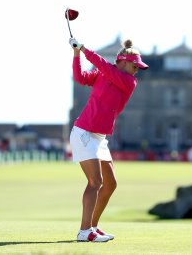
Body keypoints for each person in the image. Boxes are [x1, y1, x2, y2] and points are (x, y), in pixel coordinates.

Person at [68, 37, 149, 242]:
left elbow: (104, 66)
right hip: (84, 132)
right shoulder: (104, 74)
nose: (136, 70)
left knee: (110, 184)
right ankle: (85, 231)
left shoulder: (129, 81)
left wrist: (84, 48)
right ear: (122, 61)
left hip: (99, 137)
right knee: (96, 182)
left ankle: (92, 226)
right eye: (134, 65)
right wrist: (77, 53)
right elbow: (79, 77)